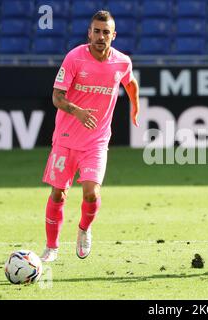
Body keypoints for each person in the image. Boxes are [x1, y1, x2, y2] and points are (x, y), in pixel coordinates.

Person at [40, 10, 140, 262]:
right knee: (58, 194)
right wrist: (78, 112)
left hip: (96, 141)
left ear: (113, 36)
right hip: (65, 138)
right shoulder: (74, 58)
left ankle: (84, 229)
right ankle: (51, 247)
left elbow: (130, 83)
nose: (100, 36)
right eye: (96, 31)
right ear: (89, 33)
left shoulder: (122, 62)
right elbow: (57, 97)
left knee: (91, 193)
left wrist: (135, 107)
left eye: (106, 32)